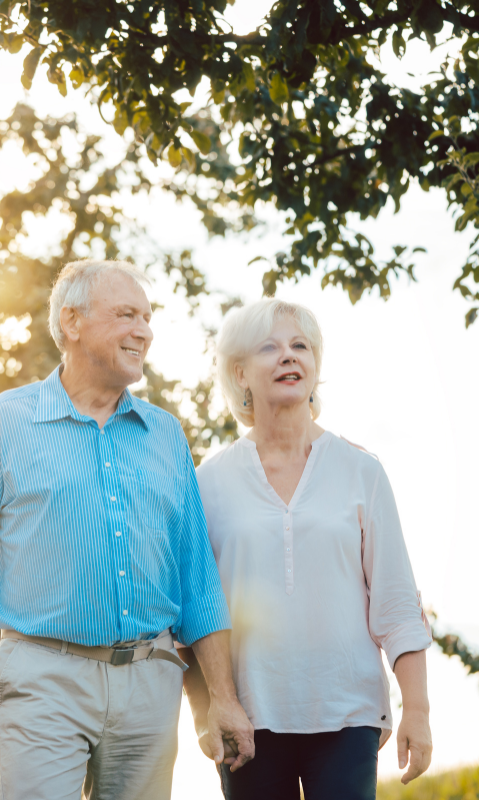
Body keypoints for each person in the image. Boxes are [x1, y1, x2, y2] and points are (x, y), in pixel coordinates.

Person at [0, 260, 255, 800]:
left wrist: (224, 697)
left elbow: (197, 579)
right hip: (43, 675)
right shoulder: (3, 423)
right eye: (126, 315)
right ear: (71, 322)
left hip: (151, 681)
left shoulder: (165, 434)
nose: (143, 331)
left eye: (147, 318)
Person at [181, 298, 434, 799]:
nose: (288, 356)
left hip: (349, 716)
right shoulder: (207, 483)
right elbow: (193, 611)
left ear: (315, 365)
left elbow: (397, 601)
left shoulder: (362, 471)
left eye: (300, 346)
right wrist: (206, 711)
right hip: (248, 721)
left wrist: (418, 711)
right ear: (239, 373)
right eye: (268, 348)